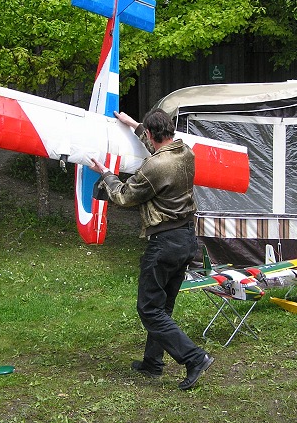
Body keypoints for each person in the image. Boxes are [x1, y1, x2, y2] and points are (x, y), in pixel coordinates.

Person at [89, 108, 214, 390]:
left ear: (150, 134)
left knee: (149, 309)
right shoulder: (186, 152)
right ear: (169, 130)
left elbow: (123, 196)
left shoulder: (154, 168)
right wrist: (134, 124)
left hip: (164, 244)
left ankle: (195, 358)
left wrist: (106, 174)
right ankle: (152, 363)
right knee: (163, 307)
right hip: (186, 238)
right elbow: (158, 150)